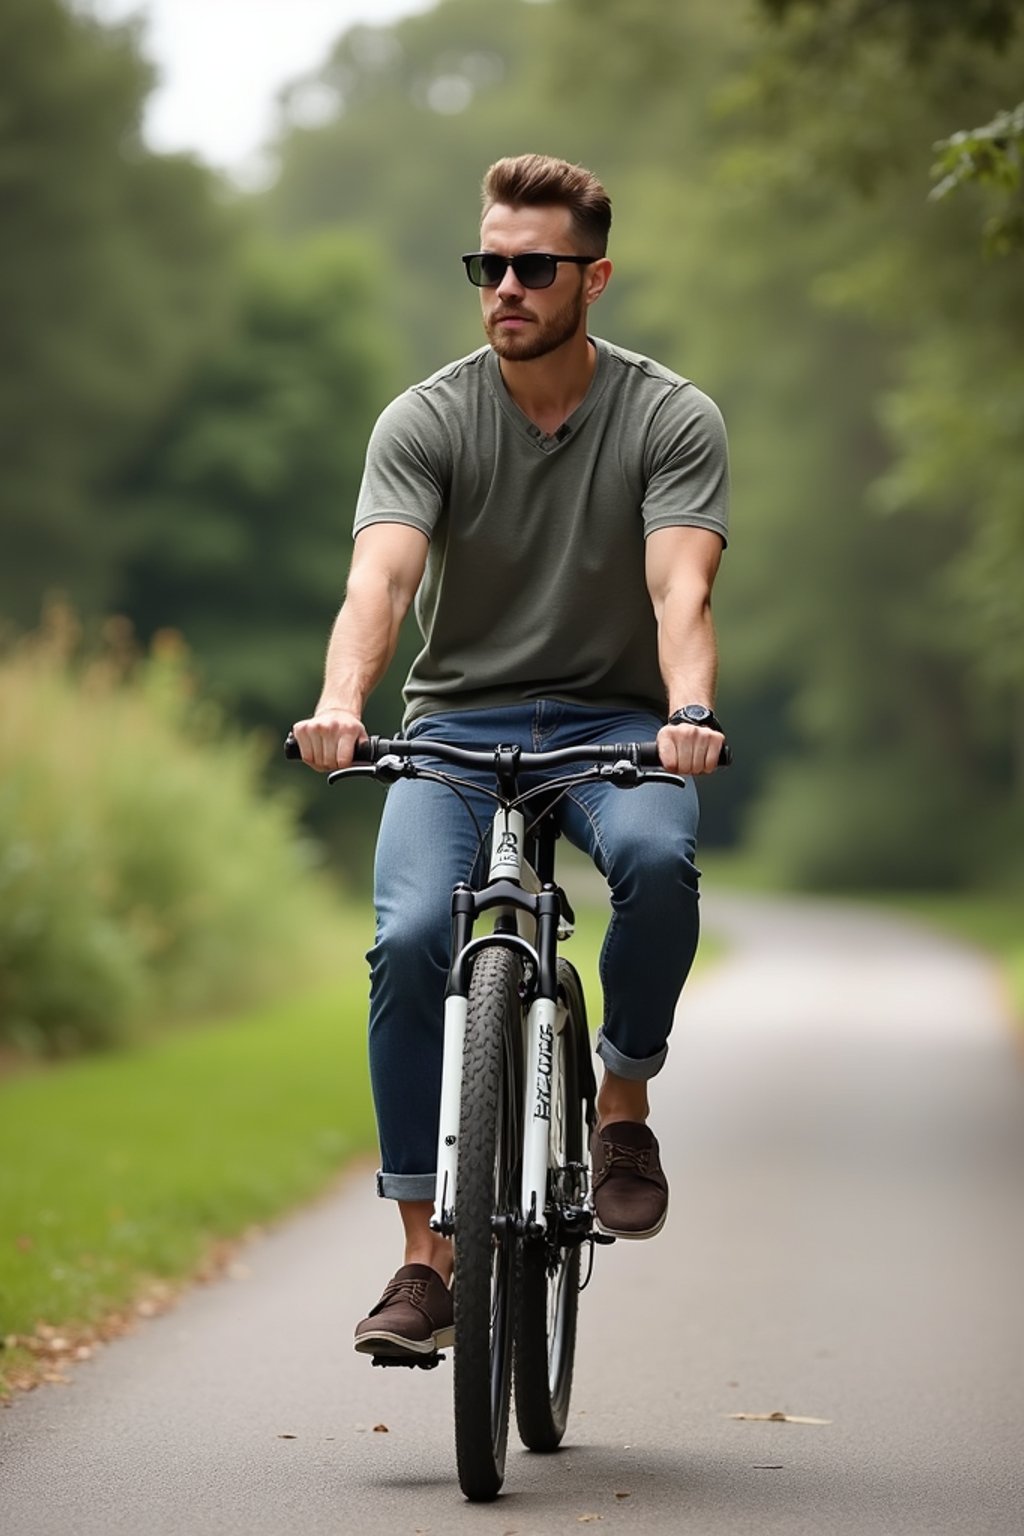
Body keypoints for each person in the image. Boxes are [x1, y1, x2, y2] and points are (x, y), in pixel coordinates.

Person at [292, 153, 729, 1361]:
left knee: (655, 865)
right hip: (456, 727)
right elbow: (381, 576)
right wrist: (341, 700)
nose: (506, 288)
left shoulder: (667, 416)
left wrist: (687, 708)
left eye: (535, 267)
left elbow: (678, 584)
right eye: (489, 266)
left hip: (616, 729)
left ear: (595, 277)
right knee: (411, 940)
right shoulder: (427, 416)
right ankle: (424, 1262)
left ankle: (624, 1095)